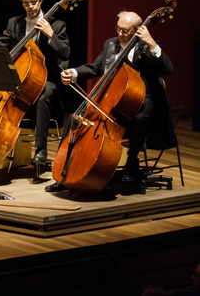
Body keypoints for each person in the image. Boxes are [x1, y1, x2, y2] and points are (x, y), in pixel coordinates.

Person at [50, 11, 173, 190]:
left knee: (141, 118)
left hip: (141, 98)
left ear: (137, 31)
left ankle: (132, 163)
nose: (120, 35)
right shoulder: (111, 44)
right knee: (74, 119)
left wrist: (151, 42)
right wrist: (74, 73)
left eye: (126, 31)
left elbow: (168, 68)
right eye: (118, 29)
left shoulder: (146, 46)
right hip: (112, 98)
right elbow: (96, 67)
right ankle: (64, 172)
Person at [0, 0, 69, 165]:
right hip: (20, 77)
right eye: (25, 3)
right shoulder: (14, 23)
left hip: (47, 79)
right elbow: (0, 43)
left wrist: (50, 35)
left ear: (41, 0)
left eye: (33, 3)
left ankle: (41, 150)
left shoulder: (57, 24)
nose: (30, 7)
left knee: (43, 94)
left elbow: (65, 52)